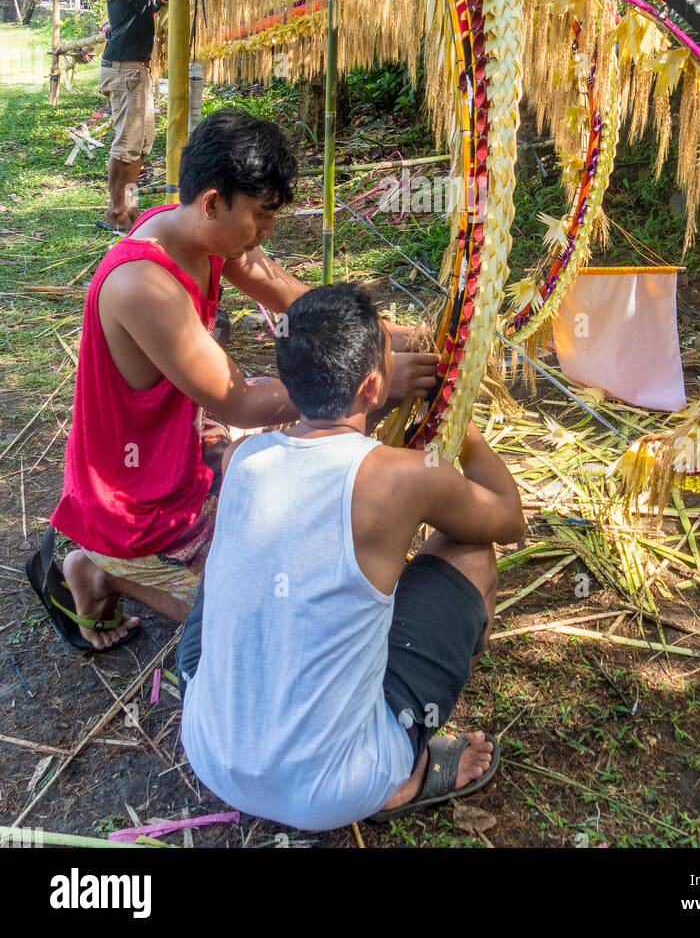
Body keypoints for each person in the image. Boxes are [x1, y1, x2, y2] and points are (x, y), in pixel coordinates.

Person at [28, 111, 438, 653]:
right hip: (136, 499)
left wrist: (382, 335)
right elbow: (240, 402)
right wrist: (373, 380)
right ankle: (102, 568)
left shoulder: (201, 237)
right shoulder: (143, 286)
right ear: (212, 201)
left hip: (184, 448)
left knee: (321, 418)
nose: (268, 232)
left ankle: (148, 540)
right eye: (262, 216)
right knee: (263, 616)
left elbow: (292, 297)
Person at [178, 283, 524, 830]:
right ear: (372, 386)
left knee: (240, 568)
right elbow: (510, 519)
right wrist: (466, 430)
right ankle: (407, 771)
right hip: (336, 788)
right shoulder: (404, 477)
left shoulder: (242, 456)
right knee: (471, 553)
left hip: (211, 753)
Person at [99, 0, 168, 233]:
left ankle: (129, 206)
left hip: (134, 69)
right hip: (125, 69)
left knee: (139, 147)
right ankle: (116, 213)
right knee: (126, 146)